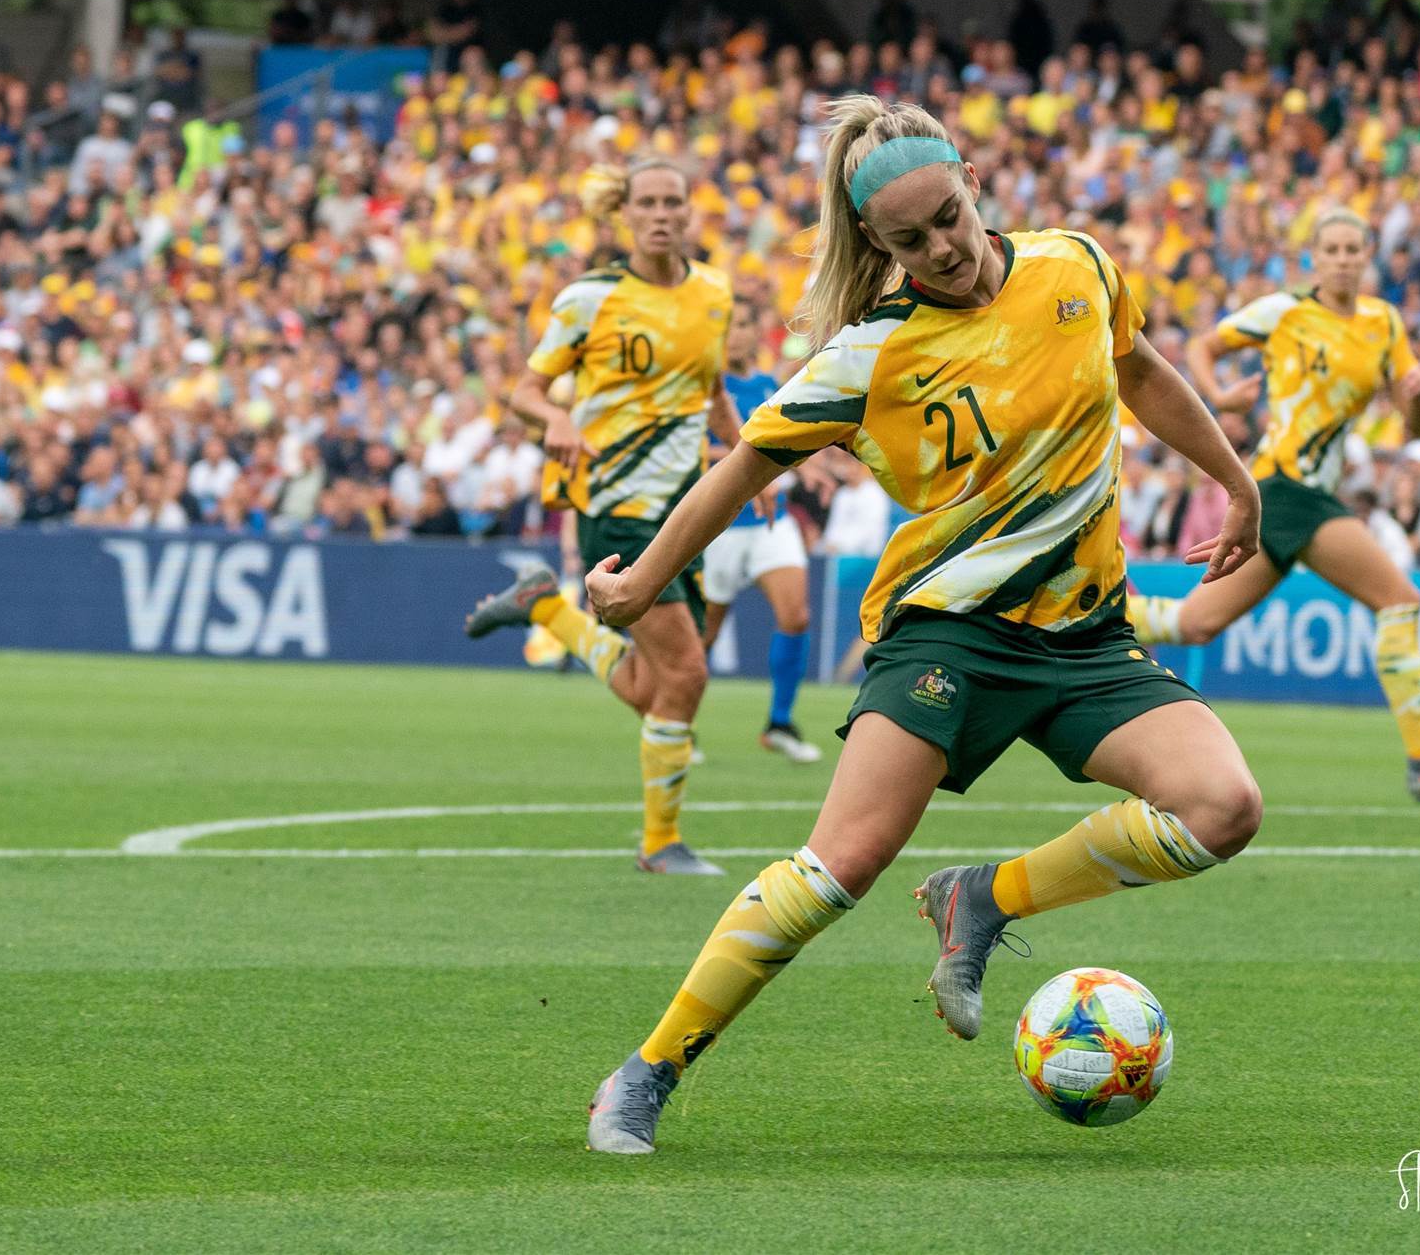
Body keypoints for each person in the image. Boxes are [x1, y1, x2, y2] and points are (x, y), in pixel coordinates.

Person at [579, 98, 1265, 1154]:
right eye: (907, 240)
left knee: (1221, 806)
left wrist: (1233, 479)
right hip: (945, 632)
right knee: (837, 867)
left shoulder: (1075, 264)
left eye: (946, 217)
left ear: (973, 179)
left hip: (1081, 636)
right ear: (874, 245)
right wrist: (640, 584)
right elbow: (740, 467)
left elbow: (1137, 372)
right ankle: (646, 1068)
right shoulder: (870, 354)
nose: (939, 249)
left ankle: (980, 898)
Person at [1124, 211, 1420, 802]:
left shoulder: (1385, 322)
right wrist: (1221, 393)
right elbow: (1204, 344)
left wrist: (1418, 403)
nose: (1345, 258)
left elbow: (1414, 426)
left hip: (1304, 495)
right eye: (1333, 248)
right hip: (1285, 485)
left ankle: (1094, 610)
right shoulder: (1285, 311)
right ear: (1315, 258)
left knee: (1193, 624)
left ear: (1368, 253)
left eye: (1355, 248)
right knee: (1399, 599)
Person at [464, 158, 741, 876]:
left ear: (689, 211)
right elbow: (525, 390)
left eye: (672, 201)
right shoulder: (588, 298)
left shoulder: (715, 291)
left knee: (654, 689)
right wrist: (554, 416)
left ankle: (547, 608)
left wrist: (746, 459)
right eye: (645, 202)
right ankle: (659, 844)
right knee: (687, 673)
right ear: (624, 213)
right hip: (616, 503)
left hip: (689, 509)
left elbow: (710, 389)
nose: (659, 213)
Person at [701, 310, 821, 764]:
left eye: (743, 326)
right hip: (721, 524)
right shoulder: (711, 390)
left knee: (796, 616)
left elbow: (788, 442)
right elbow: (700, 447)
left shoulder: (770, 388)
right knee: (705, 634)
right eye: (728, 327)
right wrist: (748, 461)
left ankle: (779, 722)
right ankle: (677, 721)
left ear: (754, 334)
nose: (735, 335)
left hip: (773, 520)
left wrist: (819, 469)